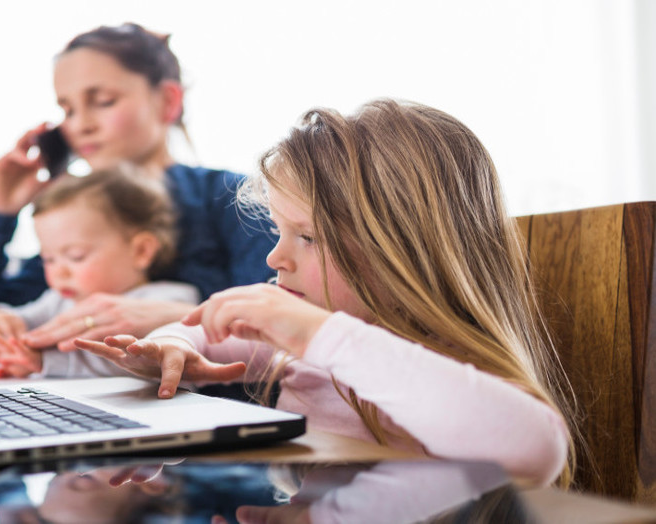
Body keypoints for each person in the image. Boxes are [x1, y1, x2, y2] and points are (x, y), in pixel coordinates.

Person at [75, 99, 578, 487]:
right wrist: (176, 348)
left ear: (409, 248)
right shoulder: (308, 327)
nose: (275, 259)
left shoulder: (438, 361)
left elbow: (537, 450)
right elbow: (206, 330)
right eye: (278, 231)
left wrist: (321, 335)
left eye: (308, 237)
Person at [0, 22, 275, 347]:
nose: (80, 125)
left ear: (167, 102)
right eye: (68, 109)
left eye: (103, 101)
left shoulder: (235, 198)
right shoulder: (82, 213)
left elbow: (277, 323)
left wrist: (176, 315)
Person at [0, 167, 199, 379]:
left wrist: (45, 362)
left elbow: (139, 363)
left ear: (141, 251)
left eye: (76, 256)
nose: (60, 272)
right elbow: (23, 320)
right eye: (48, 259)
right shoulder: (60, 301)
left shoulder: (171, 300)